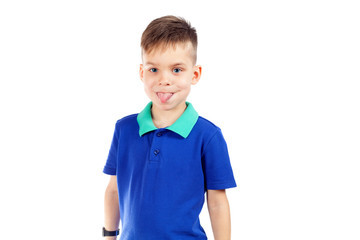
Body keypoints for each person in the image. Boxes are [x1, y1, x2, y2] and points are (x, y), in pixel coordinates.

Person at [103, 15, 237, 240]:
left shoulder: (208, 136)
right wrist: (109, 235)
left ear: (194, 74)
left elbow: (217, 202)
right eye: (154, 69)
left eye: (176, 70)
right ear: (142, 72)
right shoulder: (124, 129)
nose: (164, 80)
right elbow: (113, 189)